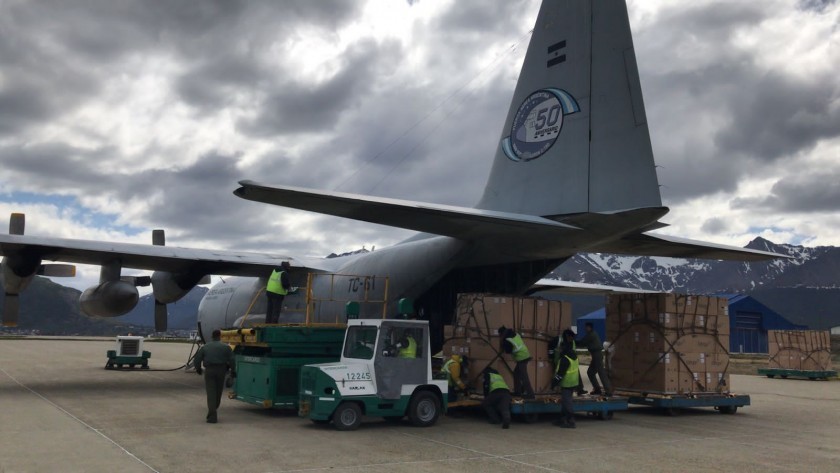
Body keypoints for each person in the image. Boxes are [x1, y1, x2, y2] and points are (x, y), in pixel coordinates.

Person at [194, 329, 235, 423]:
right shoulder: (226, 347)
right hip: (221, 370)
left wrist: (198, 369)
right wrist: (233, 371)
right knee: (218, 393)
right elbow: (232, 360)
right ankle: (213, 410)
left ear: (212, 336)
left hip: (209, 371)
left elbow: (197, 359)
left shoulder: (206, 347)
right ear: (220, 336)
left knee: (211, 393)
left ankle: (212, 415)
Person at [552, 329, 580, 428]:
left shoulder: (565, 359)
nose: (559, 350)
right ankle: (563, 419)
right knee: (565, 401)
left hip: (567, 383)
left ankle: (571, 421)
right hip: (573, 381)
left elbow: (560, 374)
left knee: (567, 402)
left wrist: (554, 383)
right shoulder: (573, 356)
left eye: (560, 349)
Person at [498, 326, 534, 398]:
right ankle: (518, 392)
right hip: (524, 355)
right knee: (516, 375)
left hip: (522, 358)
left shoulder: (508, 339)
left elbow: (508, 351)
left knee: (524, 377)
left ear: (501, 334)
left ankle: (530, 394)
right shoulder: (514, 334)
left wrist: (502, 344)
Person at [577, 322, 613, 396]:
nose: (585, 329)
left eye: (586, 327)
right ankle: (597, 389)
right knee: (590, 372)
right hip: (595, 355)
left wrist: (571, 341)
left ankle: (608, 391)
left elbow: (582, 342)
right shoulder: (591, 334)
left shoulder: (591, 335)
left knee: (601, 373)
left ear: (589, 327)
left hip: (597, 355)